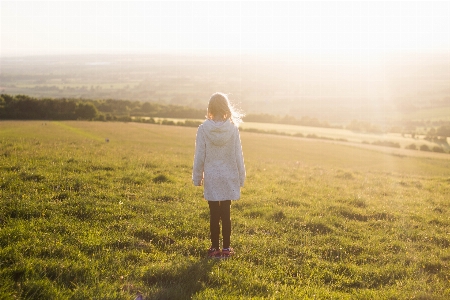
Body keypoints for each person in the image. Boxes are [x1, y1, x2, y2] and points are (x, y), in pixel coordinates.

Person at [192, 92, 246, 259]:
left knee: (214, 214)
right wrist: (241, 177)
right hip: (229, 176)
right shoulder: (233, 129)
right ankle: (227, 248)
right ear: (226, 108)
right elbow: (239, 155)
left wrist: (197, 176)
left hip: (212, 176)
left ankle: (214, 248)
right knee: (226, 214)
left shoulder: (203, 129)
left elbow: (199, 155)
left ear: (210, 109)